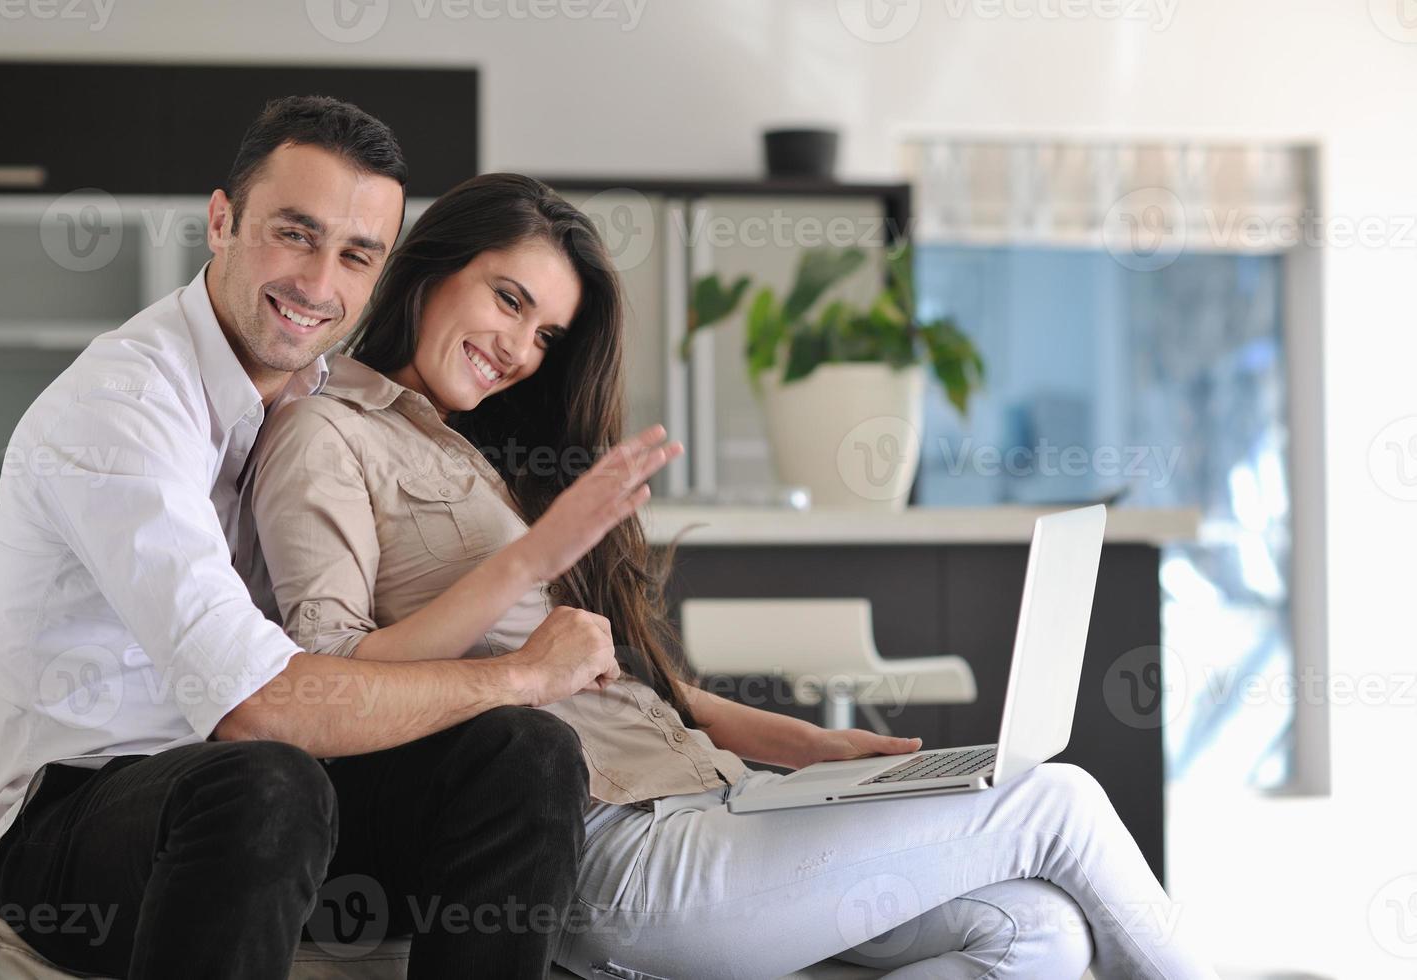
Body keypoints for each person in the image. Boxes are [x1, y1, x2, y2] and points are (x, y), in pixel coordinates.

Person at [247, 171, 1221, 979]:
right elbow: (335, 675)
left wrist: (811, 748)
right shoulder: (325, 434)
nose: (519, 348)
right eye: (509, 298)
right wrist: (536, 557)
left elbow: (636, 688)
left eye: (545, 333)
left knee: (1037, 928)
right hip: (616, 849)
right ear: (431, 271)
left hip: (720, 796)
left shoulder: (480, 455)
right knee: (1057, 802)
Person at [0, 98, 630, 980]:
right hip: (80, 829)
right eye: (295, 233)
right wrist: (517, 673)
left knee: (526, 751)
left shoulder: (314, 398)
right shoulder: (123, 408)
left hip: (283, 812)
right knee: (266, 779)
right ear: (221, 222)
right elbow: (254, 708)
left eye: (356, 254)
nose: (321, 282)